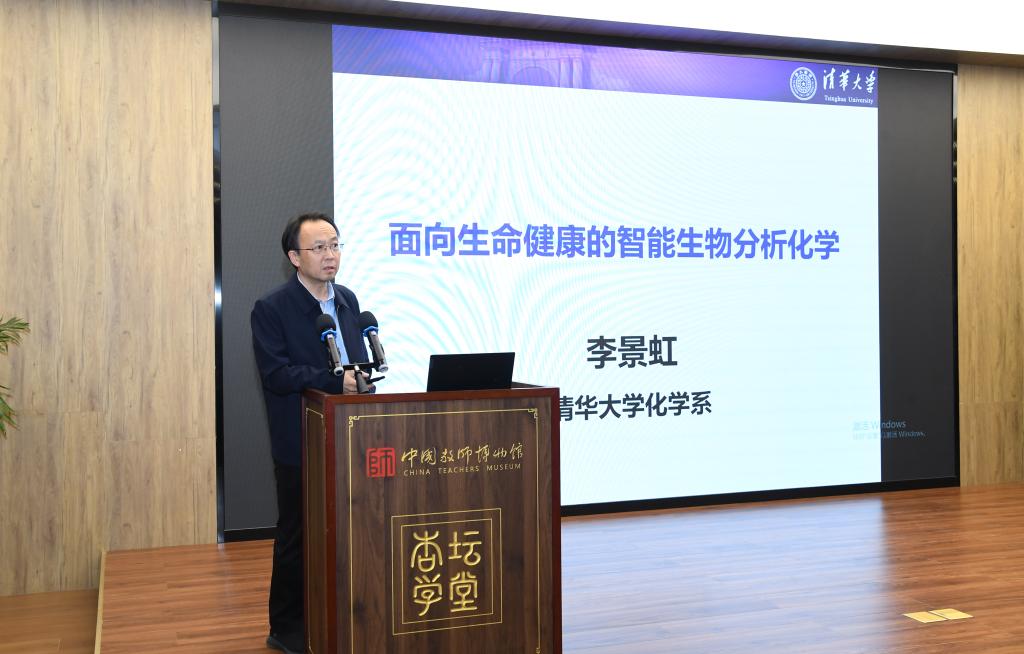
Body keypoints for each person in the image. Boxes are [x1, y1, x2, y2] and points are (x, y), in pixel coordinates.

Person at [251, 212, 371, 654]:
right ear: (294, 257)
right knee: (298, 536)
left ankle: (347, 613)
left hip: (351, 437)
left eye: (335, 245)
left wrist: (361, 380)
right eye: (319, 247)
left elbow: (357, 361)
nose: (330, 255)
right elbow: (277, 375)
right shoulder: (272, 308)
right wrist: (334, 381)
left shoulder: (348, 301)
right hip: (301, 441)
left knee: (353, 531)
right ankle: (286, 628)